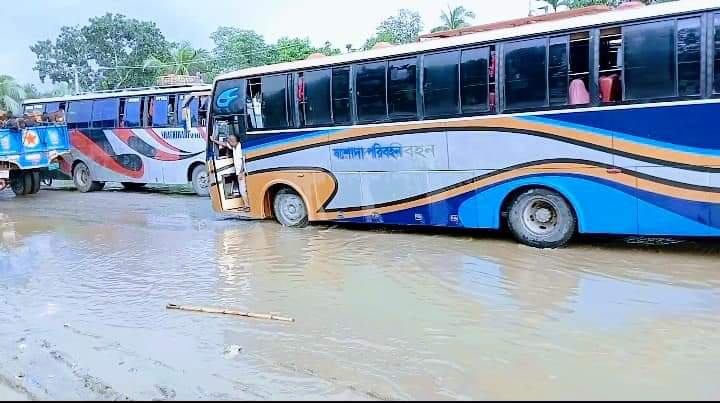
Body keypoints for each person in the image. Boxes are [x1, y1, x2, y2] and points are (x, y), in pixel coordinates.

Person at [209, 133, 249, 208]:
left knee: (243, 190)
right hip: (239, 172)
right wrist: (214, 140)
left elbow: (243, 161)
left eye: (230, 141)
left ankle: (247, 205)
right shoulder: (234, 147)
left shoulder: (240, 148)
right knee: (243, 189)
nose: (228, 143)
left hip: (242, 173)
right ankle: (246, 205)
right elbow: (224, 144)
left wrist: (241, 173)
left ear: (234, 141)